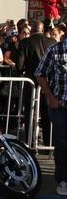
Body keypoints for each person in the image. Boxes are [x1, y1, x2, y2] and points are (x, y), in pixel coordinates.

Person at [35, 38, 67, 196]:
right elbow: (40, 73)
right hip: (60, 106)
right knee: (62, 143)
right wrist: (50, 97)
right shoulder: (55, 50)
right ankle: (63, 180)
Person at [17, 20, 56, 145]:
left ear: (32, 30)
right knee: (47, 113)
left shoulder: (24, 43)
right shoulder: (52, 42)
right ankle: (48, 142)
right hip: (48, 83)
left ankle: (31, 142)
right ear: (42, 29)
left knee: (30, 113)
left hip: (31, 82)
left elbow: (19, 65)